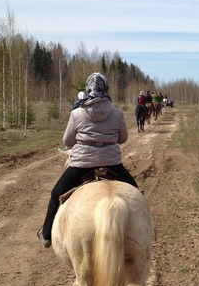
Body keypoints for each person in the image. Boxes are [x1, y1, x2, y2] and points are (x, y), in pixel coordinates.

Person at [37, 72, 138, 248]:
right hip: (112, 164)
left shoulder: (76, 114)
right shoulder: (117, 113)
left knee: (56, 193)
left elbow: (68, 141)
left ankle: (46, 235)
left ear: (87, 90)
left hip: (81, 165)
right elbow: (123, 138)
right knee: (136, 192)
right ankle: (144, 230)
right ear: (106, 90)